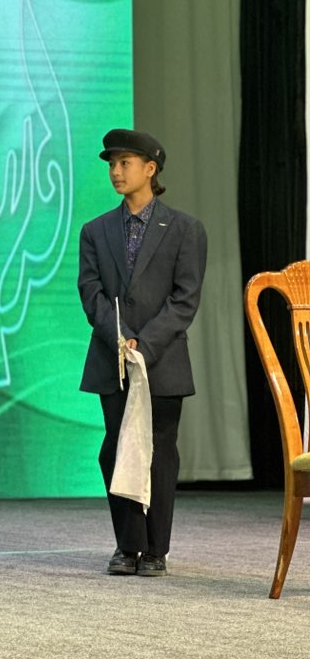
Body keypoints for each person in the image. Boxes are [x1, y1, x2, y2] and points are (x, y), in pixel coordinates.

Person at [78, 128, 207, 578]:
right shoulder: (95, 230)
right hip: (112, 356)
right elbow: (91, 292)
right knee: (116, 446)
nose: (116, 171)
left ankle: (156, 549)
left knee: (160, 450)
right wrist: (119, 337)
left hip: (162, 358)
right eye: (112, 164)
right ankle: (127, 545)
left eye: (125, 163)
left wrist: (144, 343)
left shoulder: (185, 229)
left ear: (150, 169)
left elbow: (185, 299)